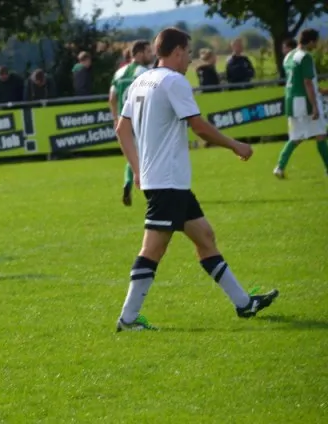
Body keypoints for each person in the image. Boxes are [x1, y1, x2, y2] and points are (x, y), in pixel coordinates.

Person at [114, 27, 279, 332]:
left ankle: (244, 304)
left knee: (205, 236)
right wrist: (235, 145)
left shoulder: (141, 80)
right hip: (167, 181)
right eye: (188, 52)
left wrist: (137, 169)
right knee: (152, 250)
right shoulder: (173, 81)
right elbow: (199, 127)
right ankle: (128, 319)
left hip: (165, 180)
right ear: (177, 51)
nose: (190, 59)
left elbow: (121, 130)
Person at [274, 29, 328, 178]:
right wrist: (315, 106)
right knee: (320, 134)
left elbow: (297, 79)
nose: (316, 45)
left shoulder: (289, 56)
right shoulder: (305, 56)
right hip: (305, 102)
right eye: (315, 42)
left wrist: (319, 90)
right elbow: (307, 82)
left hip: (292, 101)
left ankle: (279, 167)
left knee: (296, 136)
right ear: (310, 41)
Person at [109, 40, 154, 207]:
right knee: (147, 156)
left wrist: (115, 118)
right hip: (141, 119)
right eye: (148, 52)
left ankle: (128, 181)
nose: (151, 55)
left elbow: (112, 97)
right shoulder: (145, 72)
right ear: (139, 53)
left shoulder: (119, 73)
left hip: (124, 120)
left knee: (134, 155)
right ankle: (152, 192)